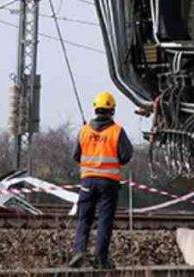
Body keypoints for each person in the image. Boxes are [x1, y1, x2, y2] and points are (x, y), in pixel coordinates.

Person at [69, 91, 133, 269]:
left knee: (84, 218)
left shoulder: (84, 131)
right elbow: (126, 155)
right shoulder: (117, 131)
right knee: (105, 221)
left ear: (95, 109)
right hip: (109, 184)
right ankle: (101, 259)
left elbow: (76, 155)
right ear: (112, 110)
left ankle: (79, 251)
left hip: (87, 182)